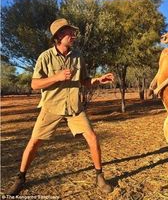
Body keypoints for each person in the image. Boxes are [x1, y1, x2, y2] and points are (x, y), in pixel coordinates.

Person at [7, 18, 114, 195]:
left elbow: (84, 81)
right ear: (58, 36)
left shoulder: (78, 56)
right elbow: (34, 84)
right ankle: (20, 179)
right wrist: (56, 77)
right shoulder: (45, 57)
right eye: (69, 32)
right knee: (34, 143)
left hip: (74, 107)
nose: (73, 35)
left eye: (73, 32)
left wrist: (98, 80)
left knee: (92, 138)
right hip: (51, 107)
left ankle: (100, 176)